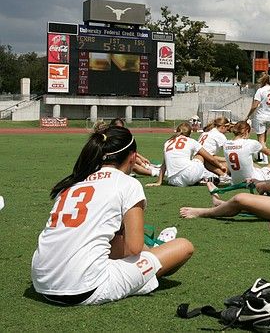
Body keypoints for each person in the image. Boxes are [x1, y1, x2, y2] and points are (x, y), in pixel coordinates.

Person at [31, 126, 194, 305]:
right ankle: (156, 249)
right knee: (183, 247)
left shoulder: (72, 184)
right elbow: (133, 248)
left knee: (116, 239)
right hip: (83, 287)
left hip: (42, 283)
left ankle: (151, 252)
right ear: (133, 157)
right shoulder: (128, 183)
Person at [179, 101, 270, 222]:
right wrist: (262, 183)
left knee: (240, 198)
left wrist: (262, 185)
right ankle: (221, 205)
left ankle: (204, 212)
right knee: (249, 200)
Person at [148, 122, 227, 187]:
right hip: (190, 174)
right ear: (189, 133)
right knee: (200, 156)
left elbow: (164, 165)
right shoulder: (191, 141)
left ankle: (201, 179)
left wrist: (159, 182)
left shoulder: (167, 142)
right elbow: (211, 158)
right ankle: (221, 176)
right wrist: (221, 166)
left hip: (174, 181)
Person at [93, 119, 160, 178]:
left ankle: (149, 167)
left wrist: (142, 158)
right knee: (130, 162)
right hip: (103, 167)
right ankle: (156, 172)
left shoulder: (97, 140)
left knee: (130, 156)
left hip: (106, 165)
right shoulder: (108, 140)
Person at [220, 121, 270, 185]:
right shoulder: (250, 143)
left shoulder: (226, 144)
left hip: (235, 181)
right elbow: (268, 152)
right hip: (253, 179)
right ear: (246, 132)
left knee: (248, 163)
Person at [245, 73, 270, 165]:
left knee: (260, 139)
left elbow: (255, 106)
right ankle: (261, 155)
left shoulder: (260, 91)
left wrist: (248, 115)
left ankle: (265, 159)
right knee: (264, 138)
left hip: (261, 117)